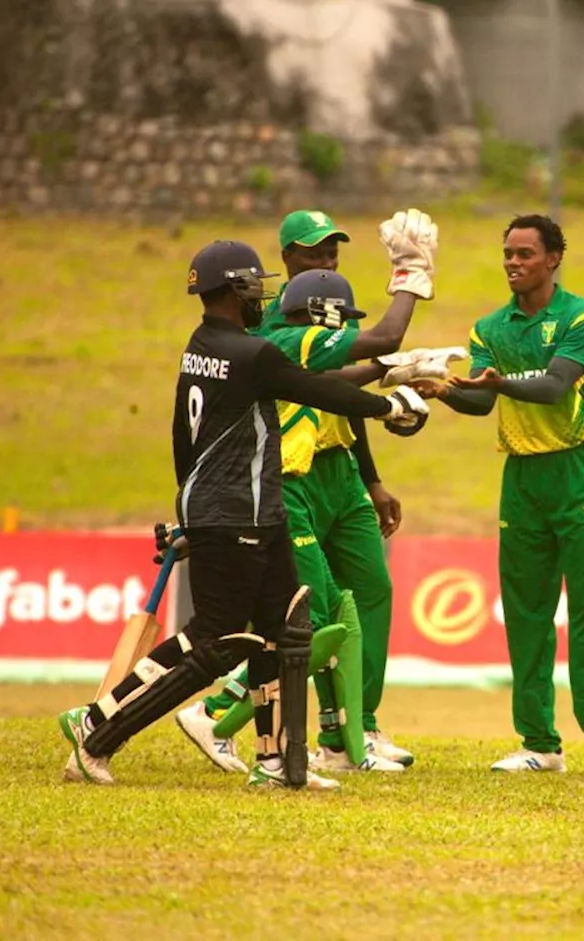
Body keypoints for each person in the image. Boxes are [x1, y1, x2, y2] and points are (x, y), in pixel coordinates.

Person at [56, 236, 430, 789]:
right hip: (236, 515)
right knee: (215, 639)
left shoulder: (201, 344)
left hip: (252, 510)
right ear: (233, 289)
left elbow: (181, 434)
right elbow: (317, 390)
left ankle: (278, 763)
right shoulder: (252, 353)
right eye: (254, 286)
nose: (262, 296)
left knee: (285, 632)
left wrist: (189, 506)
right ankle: (97, 733)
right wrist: (389, 404)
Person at [177, 209, 429, 772]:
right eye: (313, 253)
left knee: (366, 595)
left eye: (332, 252)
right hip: (287, 482)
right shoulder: (273, 333)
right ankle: (218, 709)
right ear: (286, 260)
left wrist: (372, 476)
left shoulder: (318, 316)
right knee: (307, 618)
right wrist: (410, 281)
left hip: (337, 472)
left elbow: (335, 394)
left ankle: (350, 734)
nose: (325, 261)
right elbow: (362, 356)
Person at [435, 214, 584, 778]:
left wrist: (496, 383)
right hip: (521, 476)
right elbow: (480, 402)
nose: (513, 264)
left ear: (553, 259)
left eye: (524, 254)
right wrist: (444, 390)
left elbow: (551, 387)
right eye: (508, 255)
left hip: (580, 471)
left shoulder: (582, 317)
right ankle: (539, 743)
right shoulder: (489, 327)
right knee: (525, 613)